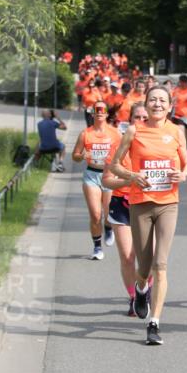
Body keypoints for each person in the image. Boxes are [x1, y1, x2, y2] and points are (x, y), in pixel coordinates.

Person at [108, 84, 187, 345]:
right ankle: (141, 288)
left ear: (169, 106)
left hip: (168, 203)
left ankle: (154, 323)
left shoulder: (176, 132)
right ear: (146, 104)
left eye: (162, 100)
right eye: (153, 100)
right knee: (143, 265)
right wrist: (133, 176)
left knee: (160, 264)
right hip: (141, 203)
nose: (157, 104)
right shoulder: (134, 131)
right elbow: (114, 166)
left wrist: (184, 174)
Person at [101, 103, 150, 315]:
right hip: (122, 205)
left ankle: (145, 291)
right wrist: (129, 180)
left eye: (144, 117)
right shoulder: (118, 145)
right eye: (136, 117)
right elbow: (107, 181)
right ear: (129, 121)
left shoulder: (157, 146)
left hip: (149, 205)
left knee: (150, 257)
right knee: (128, 256)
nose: (140, 121)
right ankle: (133, 297)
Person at [71, 100, 121, 259]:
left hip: (109, 176)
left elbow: (123, 154)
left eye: (102, 109)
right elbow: (75, 156)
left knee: (108, 214)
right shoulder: (85, 134)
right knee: (95, 214)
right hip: (91, 175)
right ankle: (97, 248)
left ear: (106, 113)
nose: (99, 111)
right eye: (96, 109)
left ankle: (108, 228)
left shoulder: (115, 133)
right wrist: (83, 155)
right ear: (92, 113)